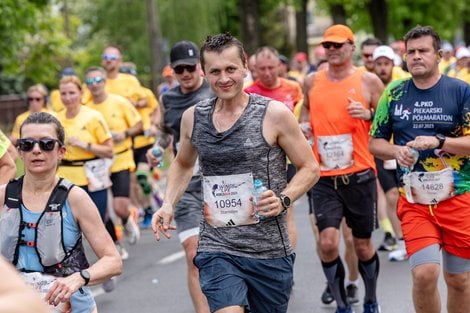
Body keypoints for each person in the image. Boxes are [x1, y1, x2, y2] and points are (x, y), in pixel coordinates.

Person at [151, 33, 319, 313]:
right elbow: (182, 163)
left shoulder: (273, 114)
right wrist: (168, 203)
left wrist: (284, 198)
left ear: (244, 67)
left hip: (269, 249)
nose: (224, 78)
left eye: (230, 69)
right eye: (215, 71)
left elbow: (310, 167)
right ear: (205, 73)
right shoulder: (194, 117)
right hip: (218, 245)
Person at [369, 25, 470, 313]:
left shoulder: (460, 90)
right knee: (424, 275)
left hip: (458, 197)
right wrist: (396, 151)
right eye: (410, 52)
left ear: (438, 55)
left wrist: (440, 141)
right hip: (414, 201)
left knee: (459, 279)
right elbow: (375, 143)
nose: (415, 57)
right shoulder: (394, 93)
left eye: (422, 51)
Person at [0, 112, 122, 312]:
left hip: (71, 306)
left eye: (46, 144)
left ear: (61, 151)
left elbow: (113, 261)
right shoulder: (4, 195)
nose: (36, 150)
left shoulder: (75, 198)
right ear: (20, 152)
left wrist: (78, 278)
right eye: (27, 144)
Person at [300, 24, 384, 313]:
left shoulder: (369, 81)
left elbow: (388, 123)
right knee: (327, 243)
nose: (332, 50)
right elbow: (306, 110)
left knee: (361, 245)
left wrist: (369, 114)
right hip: (324, 177)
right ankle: (341, 304)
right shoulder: (311, 81)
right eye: (328, 45)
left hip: (359, 174)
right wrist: (303, 125)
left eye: (338, 45)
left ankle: (371, 298)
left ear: (351, 47)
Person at [148, 40, 214, 313]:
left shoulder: (216, 91)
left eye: (190, 67)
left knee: (225, 252)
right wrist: (157, 148)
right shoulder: (168, 98)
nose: (186, 74)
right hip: (185, 183)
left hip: (218, 181)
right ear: (173, 71)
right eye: (180, 69)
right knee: (194, 255)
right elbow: (166, 131)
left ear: (199, 67)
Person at [244, 46, 303, 250]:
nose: (267, 73)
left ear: (279, 66)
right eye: (262, 69)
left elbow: (303, 118)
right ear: (254, 69)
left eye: (271, 67)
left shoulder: (293, 88)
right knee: (260, 211)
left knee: (287, 209)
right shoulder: (248, 92)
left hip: (288, 156)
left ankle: (288, 259)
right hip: (261, 159)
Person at [84, 66, 143, 249]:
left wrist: (124, 133)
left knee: (119, 206)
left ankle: (126, 218)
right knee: (100, 209)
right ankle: (115, 243)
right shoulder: (86, 109)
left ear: (105, 82)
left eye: (98, 80)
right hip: (97, 163)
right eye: (90, 82)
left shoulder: (119, 102)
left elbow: (138, 125)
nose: (95, 85)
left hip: (120, 159)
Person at [372, 45, 407, 261]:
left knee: (408, 196)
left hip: (404, 149)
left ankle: (416, 238)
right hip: (383, 150)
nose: (383, 68)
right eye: (379, 64)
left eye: (387, 63)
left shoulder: (402, 85)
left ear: (392, 65)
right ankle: (401, 240)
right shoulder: (368, 84)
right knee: (392, 196)